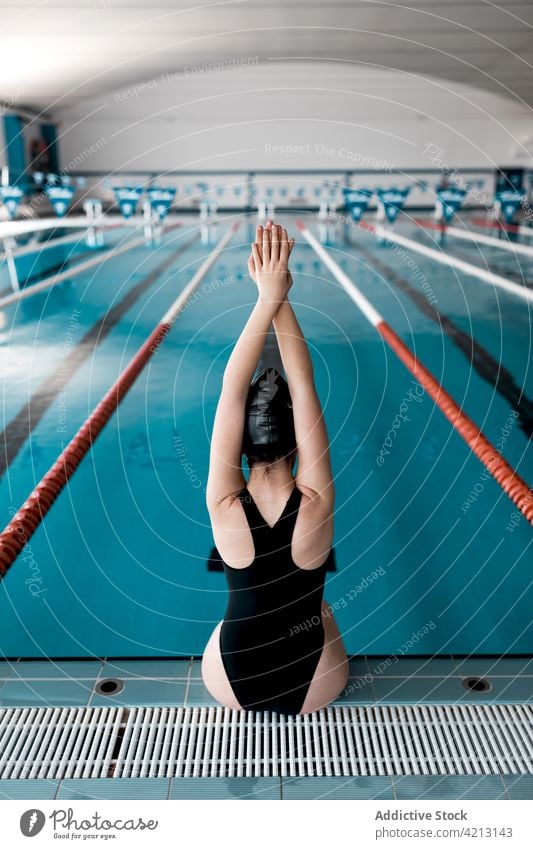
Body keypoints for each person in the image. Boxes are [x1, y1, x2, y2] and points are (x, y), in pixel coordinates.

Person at [201, 221, 348, 714]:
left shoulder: (223, 503)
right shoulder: (316, 503)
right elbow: (304, 386)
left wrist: (267, 298)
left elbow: (232, 390)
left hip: (230, 684)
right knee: (317, 607)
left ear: (240, 446)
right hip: (316, 686)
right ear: (298, 443)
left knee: (238, 610)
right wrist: (281, 297)